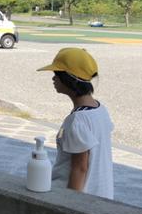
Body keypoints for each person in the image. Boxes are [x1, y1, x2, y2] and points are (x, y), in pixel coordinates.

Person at [37, 47, 114, 199]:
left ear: (69, 79)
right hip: (101, 196)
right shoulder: (100, 110)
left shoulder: (77, 121)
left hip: (81, 199)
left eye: (56, 75)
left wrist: (71, 204)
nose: (53, 79)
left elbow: (80, 168)